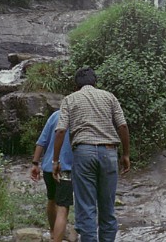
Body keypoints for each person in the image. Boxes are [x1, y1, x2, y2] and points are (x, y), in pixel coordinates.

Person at [53, 67, 131, 242]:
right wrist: (125, 155)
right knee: (107, 208)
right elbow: (123, 126)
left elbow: (60, 131)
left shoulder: (70, 99)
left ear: (76, 85)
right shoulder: (109, 97)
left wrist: (55, 160)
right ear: (95, 82)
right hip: (109, 152)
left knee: (86, 208)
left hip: (83, 153)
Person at [30, 110, 74, 242]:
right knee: (63, 208)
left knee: (51, 199)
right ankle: (57, 238)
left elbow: (41, 141)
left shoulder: (56, 115)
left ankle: (53, 233)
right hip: (64, 167)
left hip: (48, 166)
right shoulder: (79, 115)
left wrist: (35, 163)